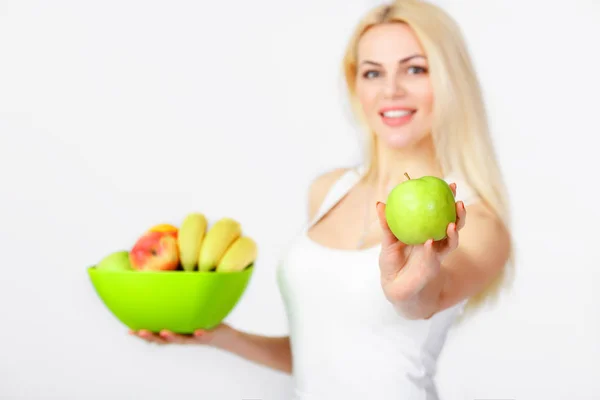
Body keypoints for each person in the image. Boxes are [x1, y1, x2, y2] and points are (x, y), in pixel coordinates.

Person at [130, 0, 513, 398]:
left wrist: (406, 289)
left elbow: (424, 302)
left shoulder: (476, 221)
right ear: (355, 86)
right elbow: (322, 357)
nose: (391, 90)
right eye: (372, 73)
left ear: (451, 81)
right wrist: (217, 336)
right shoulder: (328, 192)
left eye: (415, 69)